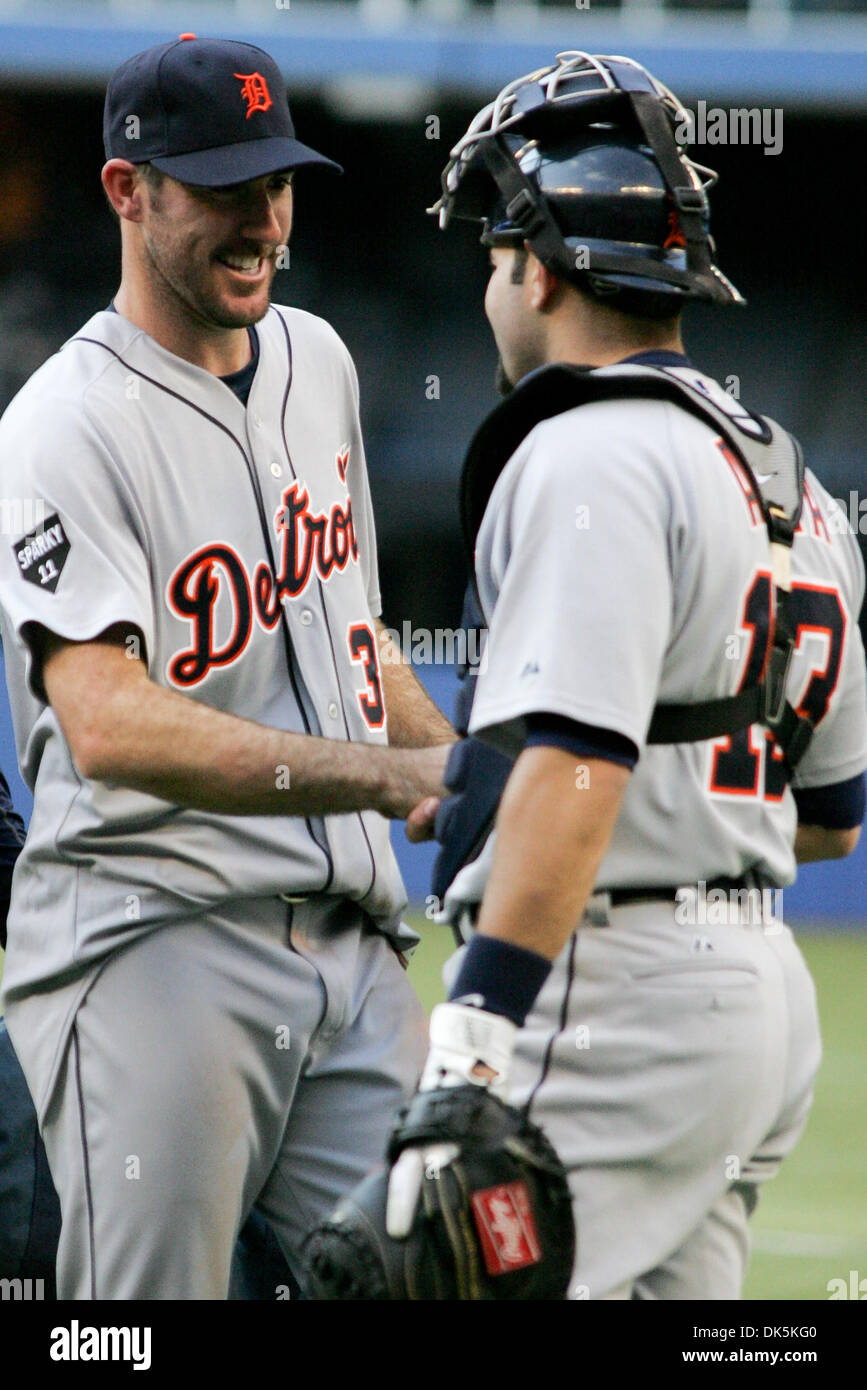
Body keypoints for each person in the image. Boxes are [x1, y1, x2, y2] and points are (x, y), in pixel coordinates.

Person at [392, 52, 867, 1299]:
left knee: (409, 1276)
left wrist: (472, 1040)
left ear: (538, 268)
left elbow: (580, 766)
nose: (492, 285)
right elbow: (826, 819)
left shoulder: (586, 453)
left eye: (496, 253)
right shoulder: (797, 483)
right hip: (758, 996)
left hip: (611, 1001)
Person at [0, 33, 452, 1300]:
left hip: (355, 962)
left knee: (434, 1278)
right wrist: (381, 776)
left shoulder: (321, 362)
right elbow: (110, 726)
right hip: (158, 944)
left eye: (279, 179)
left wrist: (461, 768)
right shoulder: (60, 427)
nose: (263, 217)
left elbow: (352, 630)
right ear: (125, 191)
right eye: (222, 184)